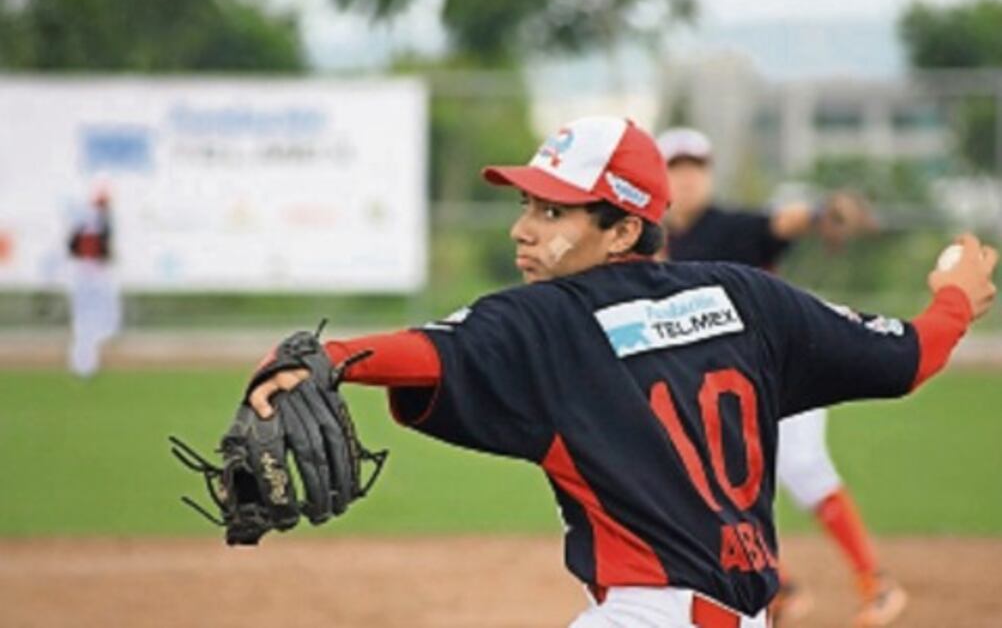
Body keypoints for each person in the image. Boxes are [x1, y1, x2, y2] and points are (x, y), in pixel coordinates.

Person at [248, 116, 996, 628]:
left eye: (553, 211)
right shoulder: (749, 296)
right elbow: (912, 356)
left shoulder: (551, 319)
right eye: (527, 204)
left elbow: (430, 351)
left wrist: (326, 360)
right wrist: (956, 298)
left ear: (624, 230)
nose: (522, 228)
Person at [655, 126, 898, 626]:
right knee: (701, 479)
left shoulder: (732, 227)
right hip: (721, 388)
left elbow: (784, 222)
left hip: (782, 370)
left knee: (804, 467)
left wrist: (823, 212)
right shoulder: (652, 240)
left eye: (696, 168)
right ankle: (780, 586)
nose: (687, 179)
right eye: (676, 168)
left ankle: (877, 582)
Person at [66, 188, 121, 377]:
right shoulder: (93, 223)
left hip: (92, 271)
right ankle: (83, 365)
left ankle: (85, 364)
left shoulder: (90, 223)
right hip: (89, 272)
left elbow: (74, 248)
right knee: (86, 323)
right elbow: (75, 248)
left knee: (94, 322)